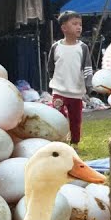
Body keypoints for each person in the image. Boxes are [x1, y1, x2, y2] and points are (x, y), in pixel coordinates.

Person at [47, 11, 94, 145]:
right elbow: (50, 67)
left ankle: (75, 143)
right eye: (74, 24)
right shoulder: (56, 47)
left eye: (80, 24)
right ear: (64, 28)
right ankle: (59, 142)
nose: (78, 27)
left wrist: (88, 85)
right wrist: (55, 81)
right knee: (57, 117)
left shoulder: (83, 48)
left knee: (76, 120)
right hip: (59, 91)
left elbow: (87, 68)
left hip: (76, 93)